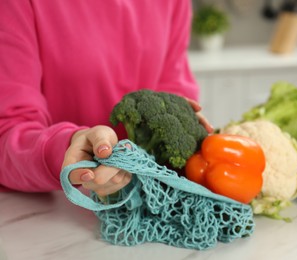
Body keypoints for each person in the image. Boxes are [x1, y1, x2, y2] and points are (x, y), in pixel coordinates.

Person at [0, 1, 213, 195]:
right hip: (55, 209)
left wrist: (179, 114)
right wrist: (64, 148)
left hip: (148, 198)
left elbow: (172, 85)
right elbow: (7, 132)